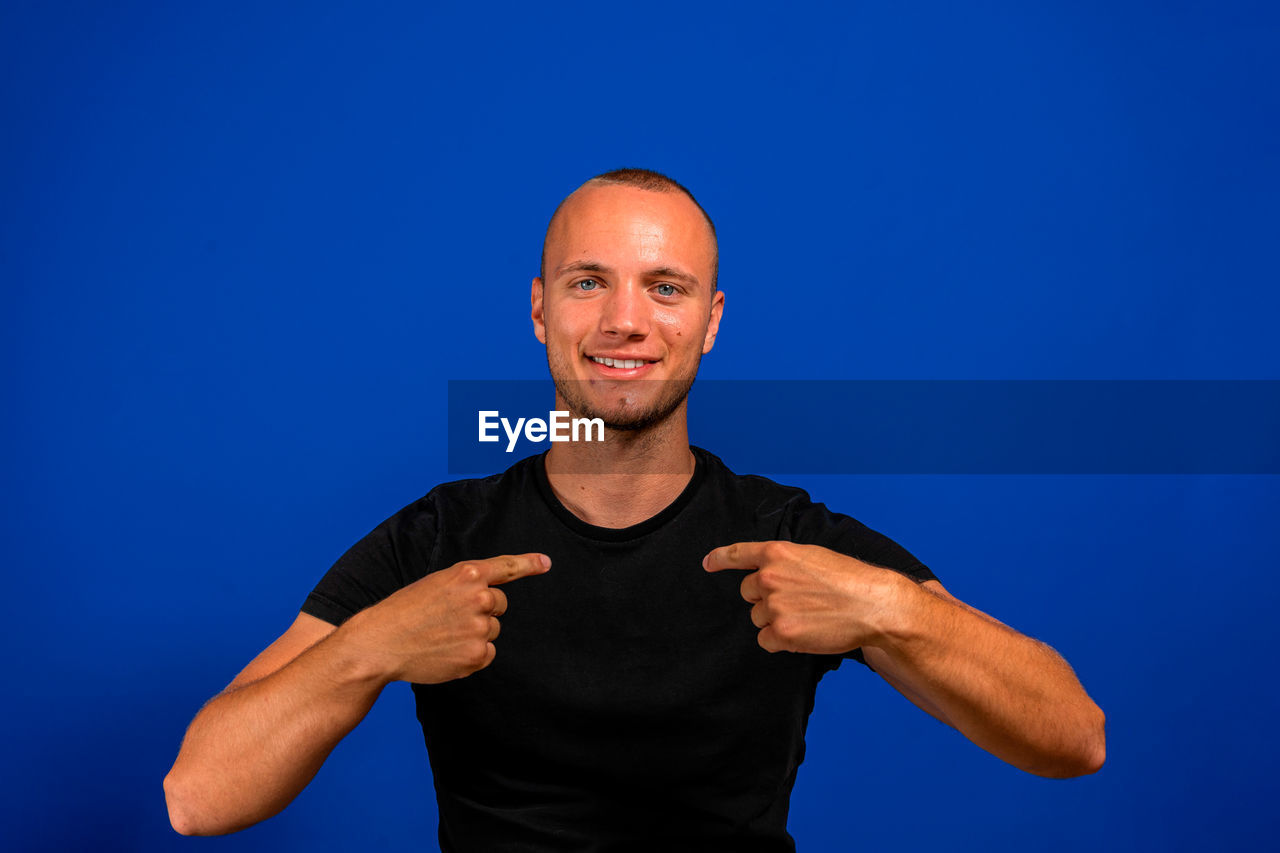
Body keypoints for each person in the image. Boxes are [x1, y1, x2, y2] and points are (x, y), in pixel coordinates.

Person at [164, 169, 1105, 850]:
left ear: (711, 320)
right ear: (540, 310)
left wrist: (891, 609)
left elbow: (1073, 736)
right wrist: (371, 647)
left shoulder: (792, 540)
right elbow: (198, 796)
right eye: (588, 283)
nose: (625, 320)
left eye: (665, 287)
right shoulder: (440, 541)